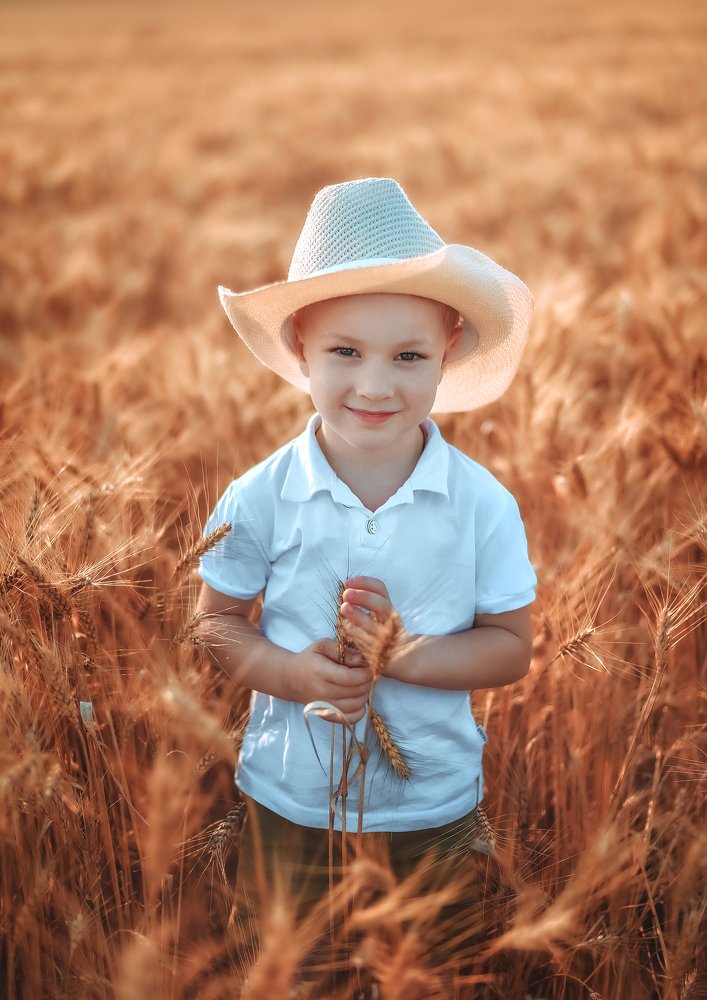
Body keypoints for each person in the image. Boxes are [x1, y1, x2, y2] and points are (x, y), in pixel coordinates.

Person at [195, 177, 537, 986]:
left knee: (433, 976)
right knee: (297, 976)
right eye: (344, 352)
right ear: (298, 350)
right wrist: (287, 671)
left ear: (447, 349)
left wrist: (405, 654)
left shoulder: (481, 502)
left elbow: (511, 648)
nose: (375, 386)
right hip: (290, 807)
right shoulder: (260, 495)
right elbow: (211, 622)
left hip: (434, 811)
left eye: (407, 356)